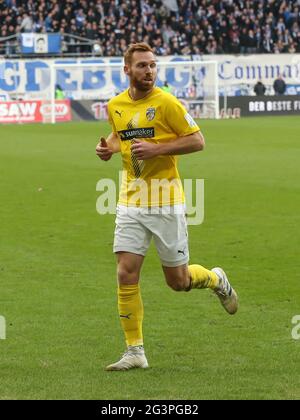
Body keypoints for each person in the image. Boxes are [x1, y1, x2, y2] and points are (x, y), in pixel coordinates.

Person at [96, 43, 238, 371]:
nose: (149, 71)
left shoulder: (166, 102)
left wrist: (158, 150)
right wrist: (109, 148)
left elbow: (197, 140)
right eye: (142, 66)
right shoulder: (115, 104)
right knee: (125, 272)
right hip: (130, 199)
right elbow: (121, 135)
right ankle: (135, 351)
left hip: (165, 201)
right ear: (127, 70)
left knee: (178, 282)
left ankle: (216, 279)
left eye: (153, 65)